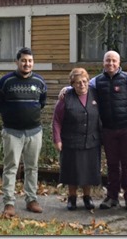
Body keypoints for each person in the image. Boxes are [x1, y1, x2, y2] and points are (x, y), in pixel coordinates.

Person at [59, 51, 127, 211]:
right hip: (108, 130)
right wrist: (67, 88)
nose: (110, 63)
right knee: (111, 165)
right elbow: (81, 84)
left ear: (119, 63)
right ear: (103, 63)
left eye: (114, 61)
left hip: (126, 128)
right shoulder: (98, 80)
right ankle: (112, 197)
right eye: (107, 61)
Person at [0, 47, 47, 218]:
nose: (27, 64)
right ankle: (9, 203)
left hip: (34, 132)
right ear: (17, 62)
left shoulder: (39, 82)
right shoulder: (5, 81)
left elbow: (42, 103)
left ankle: (31, 200)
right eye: (23, 60)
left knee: (32, 167)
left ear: (33, 63)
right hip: (12, 132)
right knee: (11, 168)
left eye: (30, 61)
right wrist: (11, 116)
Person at [52, 68, 101, 211]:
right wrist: (57, 139)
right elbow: (56, 120)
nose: (82, 85)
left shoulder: (95, 94)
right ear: (72, 84)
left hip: (91, 140)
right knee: (72, 171)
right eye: (78, 82)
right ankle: (72, 198)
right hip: (71, 141)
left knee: (88, 171)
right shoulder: (66, 97)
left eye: (85, 81)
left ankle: (87, 197)